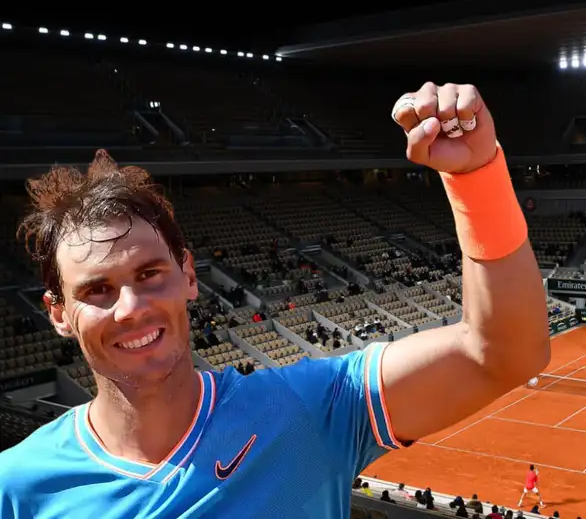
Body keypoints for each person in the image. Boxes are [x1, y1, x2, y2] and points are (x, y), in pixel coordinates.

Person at [0, 82, 551, 518]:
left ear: (189, 276)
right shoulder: (17, 487)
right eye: (97, 289)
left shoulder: (309, 409)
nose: (131, 307)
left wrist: (478, 177)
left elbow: (502, 353)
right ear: (57, 313)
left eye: (149, 273)